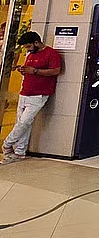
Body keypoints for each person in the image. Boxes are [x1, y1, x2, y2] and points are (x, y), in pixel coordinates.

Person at [2, 31, 63, 164]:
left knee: (24, 122)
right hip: (25, 92)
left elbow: (56, 71)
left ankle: (7, 144)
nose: (27, 49)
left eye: (29, 46)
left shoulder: (51, 53)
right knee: (23, 123)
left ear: (36, 42)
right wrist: (24, 70)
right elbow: (29, 70)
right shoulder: (31, 54)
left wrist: (34, 71)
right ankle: (19, 152)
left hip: (39, 94)